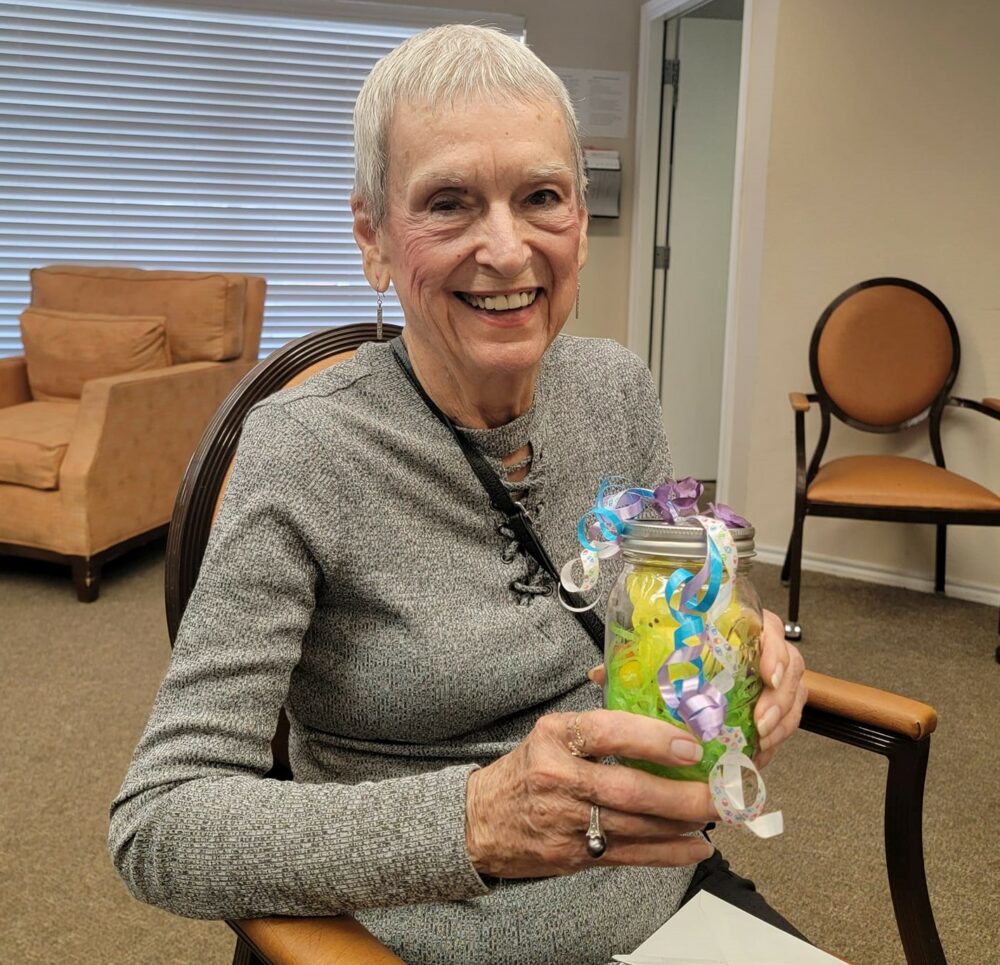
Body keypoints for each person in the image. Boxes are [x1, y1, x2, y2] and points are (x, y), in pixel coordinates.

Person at [109, 24, 807, 965]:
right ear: (373, 237)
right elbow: (160, 822)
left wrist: (750, 637)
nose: (508, 249)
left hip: (666, 896)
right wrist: (475, 820)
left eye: (541, 197)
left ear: (579, 218)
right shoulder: (304, 451)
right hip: (418, 939)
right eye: (448, 202)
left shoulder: (616, 389)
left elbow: (679, 590)